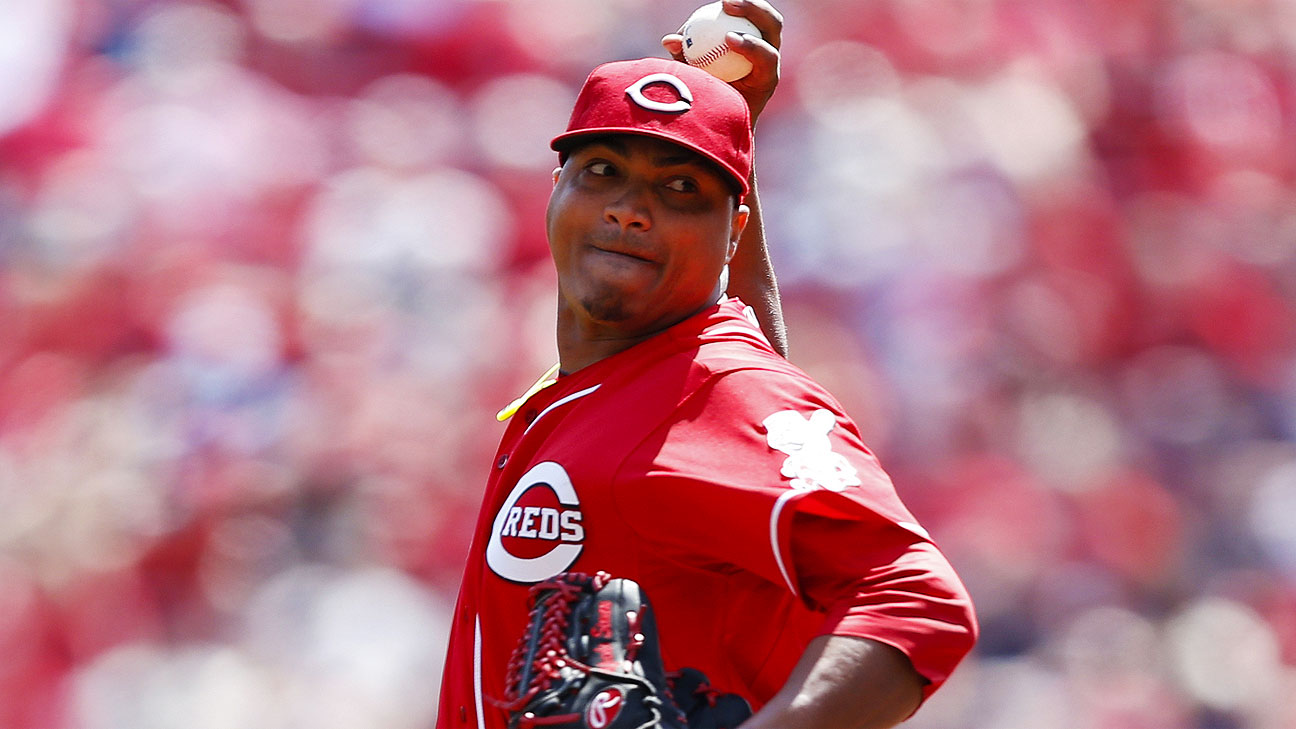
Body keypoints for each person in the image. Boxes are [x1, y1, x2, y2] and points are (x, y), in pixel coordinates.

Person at [436, 2, 977, 728]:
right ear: (556, 189)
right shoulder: (616, 383)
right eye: (602, 170)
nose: (630, 209)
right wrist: (728, 133)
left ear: (735, 229)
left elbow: (916, 599)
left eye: (680, 188)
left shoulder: (724, 388)